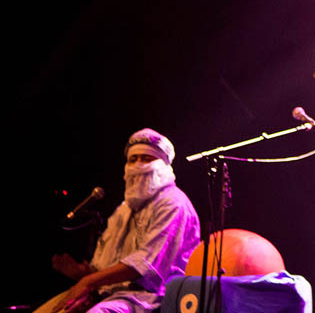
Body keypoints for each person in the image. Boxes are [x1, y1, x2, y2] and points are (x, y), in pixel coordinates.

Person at [36, 128, 201, 312]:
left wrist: (89, 280)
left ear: (163, 165)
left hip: (148, 299)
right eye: (133, 159)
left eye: (147, 159)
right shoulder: (123, 210)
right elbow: (106, 271)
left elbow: (145, 265)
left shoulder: (173, 204)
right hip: (106, 295)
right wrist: (83, 274)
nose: (138, 165)